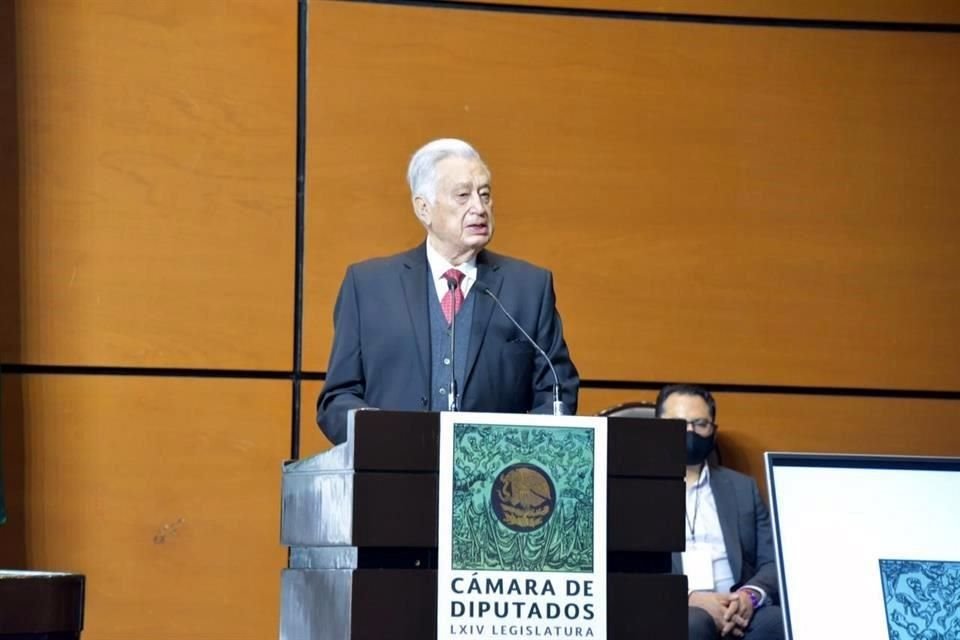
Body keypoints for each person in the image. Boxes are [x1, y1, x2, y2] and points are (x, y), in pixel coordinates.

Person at [317, 138, 579, 444]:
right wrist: (380, 437)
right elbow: (337, 398)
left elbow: (557, 391)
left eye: (485, 195)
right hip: (392, 475)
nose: (479, 208)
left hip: (493, 482)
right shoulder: (368, 286)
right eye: (463, 195)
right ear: (424, 208)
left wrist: (519, 453)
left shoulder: (529, 288)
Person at [655, 384, 784, 640]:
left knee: (776, 622)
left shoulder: (742, 488)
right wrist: (690, 598)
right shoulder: (633, 491)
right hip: (676, 606)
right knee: (693, 624)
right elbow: (626, 570)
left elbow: (772, 561)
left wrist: (750, 595)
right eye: (679, 423)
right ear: (658, 427)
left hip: (737, 604)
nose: (690, 431)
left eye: (700, 423)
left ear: (713, 431)